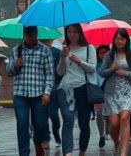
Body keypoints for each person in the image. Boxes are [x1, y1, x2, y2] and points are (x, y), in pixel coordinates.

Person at [6, 26, 53, 156]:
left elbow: (50, 74)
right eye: (29, 35)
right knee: (22, 124)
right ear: (24, 35)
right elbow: (8, 72)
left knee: (40, 125)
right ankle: (24, 153)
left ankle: (38, 143)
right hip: (20, 93)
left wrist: (47, 92)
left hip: (38, 93)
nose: (32, 38)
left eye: (34, 35)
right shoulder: (16, 50)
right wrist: (14, 64)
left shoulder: (45, 50)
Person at [98, 28, 131, 156]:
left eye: (122, 39)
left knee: (124, 119)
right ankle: (116, 142)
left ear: (126, 40)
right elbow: (101, 72)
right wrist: (111, 69)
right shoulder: (109, 55)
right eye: (117, 38)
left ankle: (123, 152)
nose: (119, 41)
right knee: (113, 124)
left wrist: (126, 73)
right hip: (111, 93)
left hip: (128, 91)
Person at [55, 23, 97, 156]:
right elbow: (60, 72)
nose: (71, 34)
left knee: (84, 124)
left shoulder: (89, 48)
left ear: (80, 33)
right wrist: (62, 56)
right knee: (68, 119)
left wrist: (79, 61)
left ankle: (82, 151)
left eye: (74, 32)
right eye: (69, 32)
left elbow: (92, 68)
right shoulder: (65, 49)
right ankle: (67, 152)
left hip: (84, 89)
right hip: (66, 89)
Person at [41, 38, 62, 149]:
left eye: (47, 41)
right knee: (43, 116)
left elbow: (61, 72)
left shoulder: (57, 52)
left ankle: (56, 132)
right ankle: (46, 138)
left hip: (54, 89)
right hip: (40, 89)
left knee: (54, 115)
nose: (46, 43)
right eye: (43, 41)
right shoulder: (37, 52)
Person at [95, 45, 111, 148]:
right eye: (101, 53)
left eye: (106, 52)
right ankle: (102, 135)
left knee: (109, 114)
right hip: (97, 92)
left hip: (110, 91)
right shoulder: (95, 64)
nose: (104, 54)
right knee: (99, 114)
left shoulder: (112, 63)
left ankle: (108, 129)